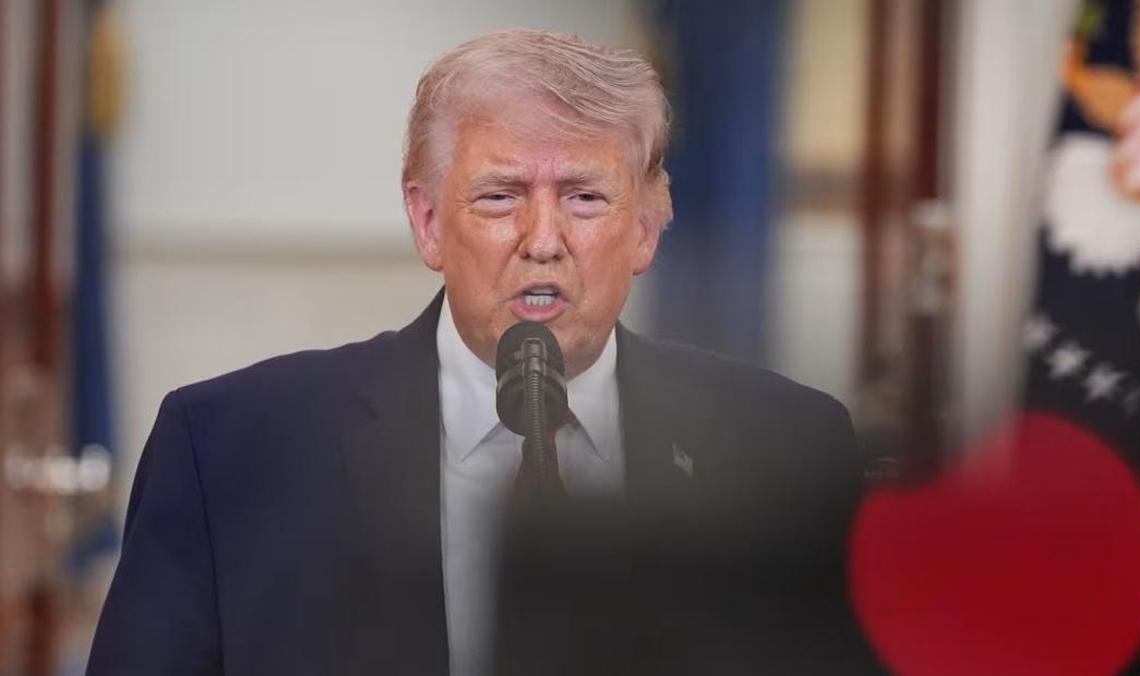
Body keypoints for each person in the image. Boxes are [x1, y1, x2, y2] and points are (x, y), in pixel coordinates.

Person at [87, 29, 868, 675]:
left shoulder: (786, 449)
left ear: (645, 229)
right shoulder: (227, 451)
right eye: (500, 197)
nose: (542, 241)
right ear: (428, 222)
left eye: (584, 198)